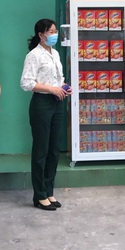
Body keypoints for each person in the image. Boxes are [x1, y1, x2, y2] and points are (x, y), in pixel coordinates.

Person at [20, 19, 72, 211]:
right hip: (42, 104)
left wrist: (64, 87)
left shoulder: (55, 53)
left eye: (55, 30)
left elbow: (59, 79)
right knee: (41, 150)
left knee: (53, 149)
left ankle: (49, 191)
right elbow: (26, 83)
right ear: (41, 35)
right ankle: (39, 195)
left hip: (57, 102)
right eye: (50, 31)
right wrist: (51, 89)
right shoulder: (34, 55)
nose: (54, 34)